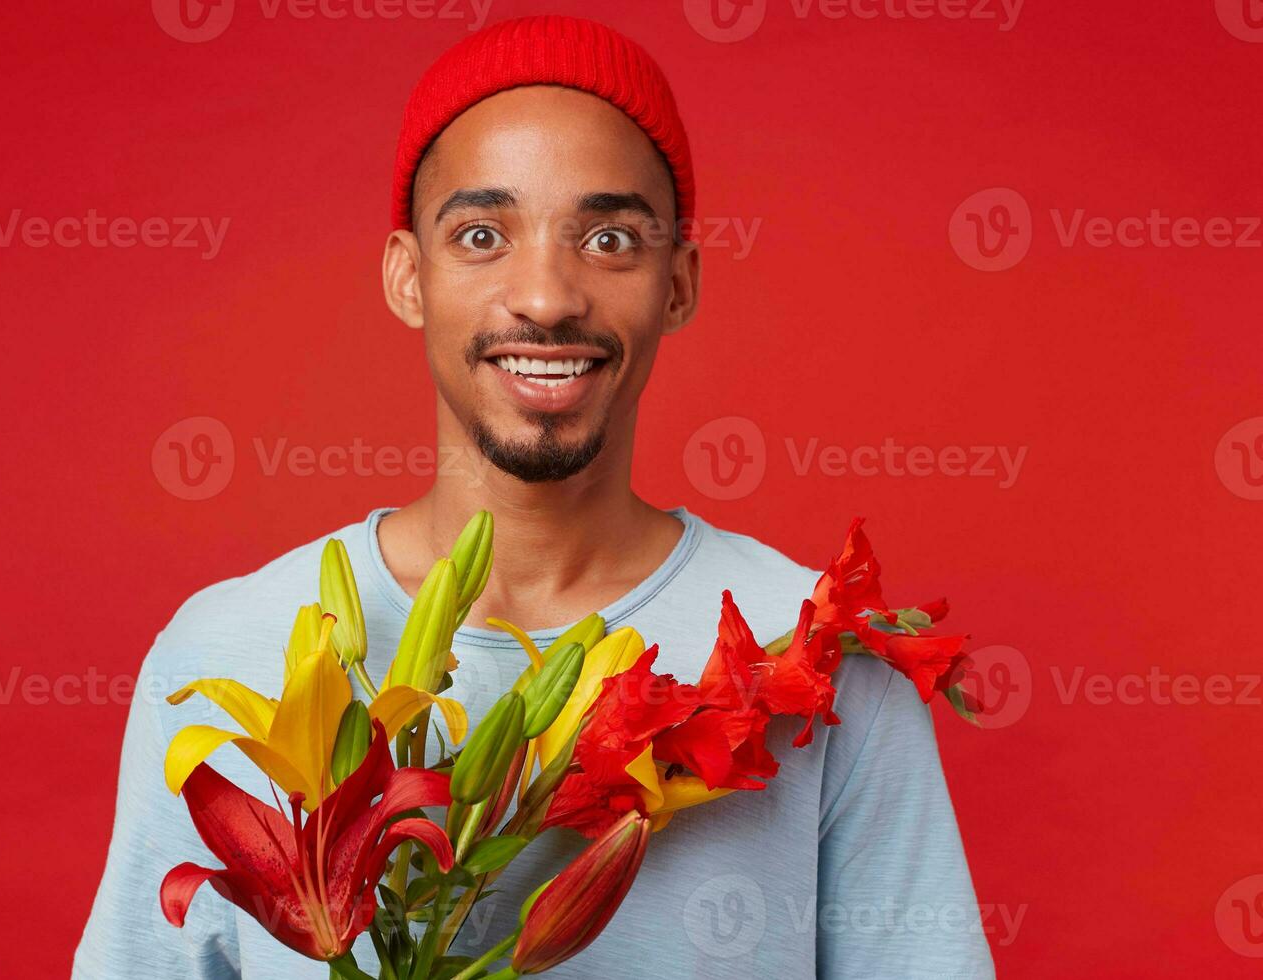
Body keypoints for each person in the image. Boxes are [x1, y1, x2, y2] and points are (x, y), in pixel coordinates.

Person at [73, 14, 994, 978]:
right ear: (406, 276)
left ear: (678, 284)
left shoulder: (821, 666)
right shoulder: (225, 647)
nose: (547, 298)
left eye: (608, 238)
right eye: (481, 234)